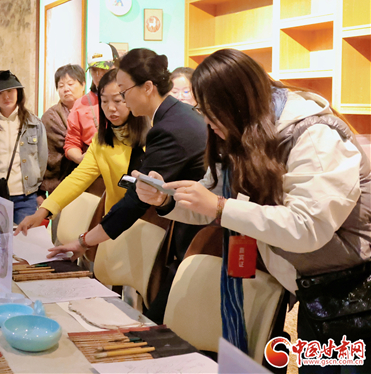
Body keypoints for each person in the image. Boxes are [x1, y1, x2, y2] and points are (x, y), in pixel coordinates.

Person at [135, 49, 370, 360]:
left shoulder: (314, 136)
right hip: (312, 288)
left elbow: (306, 228)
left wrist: (220, 207)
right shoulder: (245, 134)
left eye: (209, 110)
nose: (205, 120)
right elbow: (211, 197)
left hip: (353, 292)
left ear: (237, 103)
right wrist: (165, 199)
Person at [47, 48, 207, 323]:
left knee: (166, 327)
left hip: (199, 238)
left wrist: (84, 241)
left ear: (147, 88)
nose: (119, 101)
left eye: (123, 92)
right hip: (186, 228)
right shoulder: (173, 117)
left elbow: (135, 201)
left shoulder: (168, 128)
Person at [17, 68, 149, 235]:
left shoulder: (154, 135)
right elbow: (78, 178)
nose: (110, 108)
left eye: (117, 100)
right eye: (104, 101)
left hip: (149, 225)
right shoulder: (101, 141)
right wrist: (43, 211)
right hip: (115, 225)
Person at [0, 70, 48, 224]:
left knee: (24, 236)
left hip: (26, 196)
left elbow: (42, 159)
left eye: (10, 91)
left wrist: (38, 188)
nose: (6, 97)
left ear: (18, 92)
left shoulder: (34, 123)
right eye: (0, 93)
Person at [65, 45, 119, 164]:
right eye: (94, 70)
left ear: (115, 67)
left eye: (104, 68)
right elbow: (71, 142)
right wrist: (80, 158)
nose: (99, 75)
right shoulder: (81, 104)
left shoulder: (128, 97)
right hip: (93, 164)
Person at [40, 64, 86, 197]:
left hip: (92, 183)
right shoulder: (50, 117)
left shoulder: (95, 109)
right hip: (60, 184)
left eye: (70, 84)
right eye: (61, 86)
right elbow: (43, 154)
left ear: (83, 85)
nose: (66, 89)